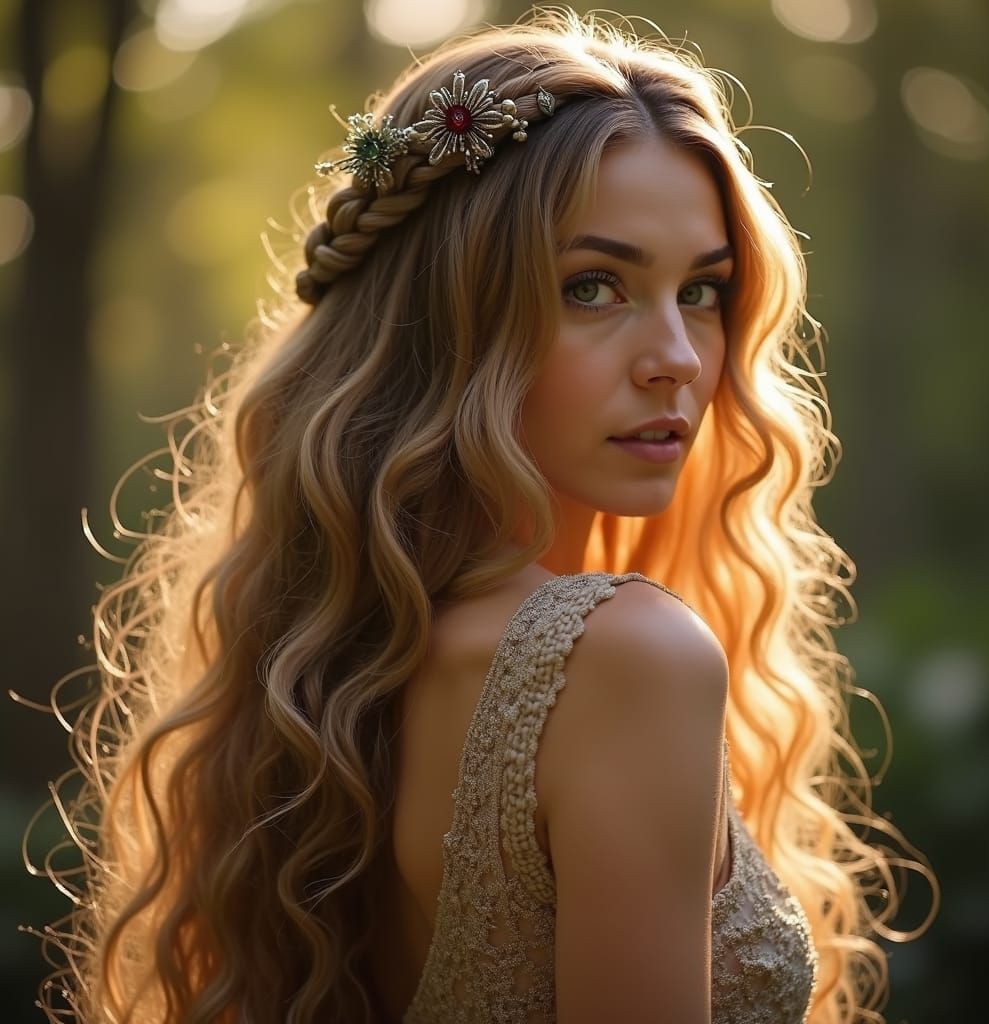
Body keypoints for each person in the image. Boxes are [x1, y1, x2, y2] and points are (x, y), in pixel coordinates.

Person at [20, 6, 936, 1023]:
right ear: (452, 317)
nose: (677, 354)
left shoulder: (334, 671)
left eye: (705, 291)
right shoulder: (626, 657)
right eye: (594, 287)